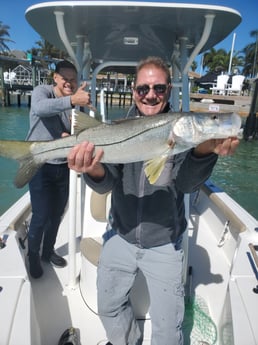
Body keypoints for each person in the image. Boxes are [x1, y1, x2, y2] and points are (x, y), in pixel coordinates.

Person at [67, 56, 239, 345]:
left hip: (165, 243)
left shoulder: (182, 132)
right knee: (108, 307)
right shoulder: (115, 127)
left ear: (169, 89)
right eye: (143, 88)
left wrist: (204, 152)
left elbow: (186, 184)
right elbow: (106, 183)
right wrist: (92, 167)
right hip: (120, 235)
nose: (150, 94)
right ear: (134, 91)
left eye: (158, 88)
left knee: (168, 332)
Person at [27, 60, 91, 279]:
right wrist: (73, 100)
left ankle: (47, 251)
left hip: (62, 166)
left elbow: (67, 133)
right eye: (65, 79)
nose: (69, 83)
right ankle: (32, 255)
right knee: (40, 215)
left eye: (73, 80)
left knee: (56, 215)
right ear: (55, 77)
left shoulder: (71, 106)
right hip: (39, 165)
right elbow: (40, 109)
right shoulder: (41, 92)